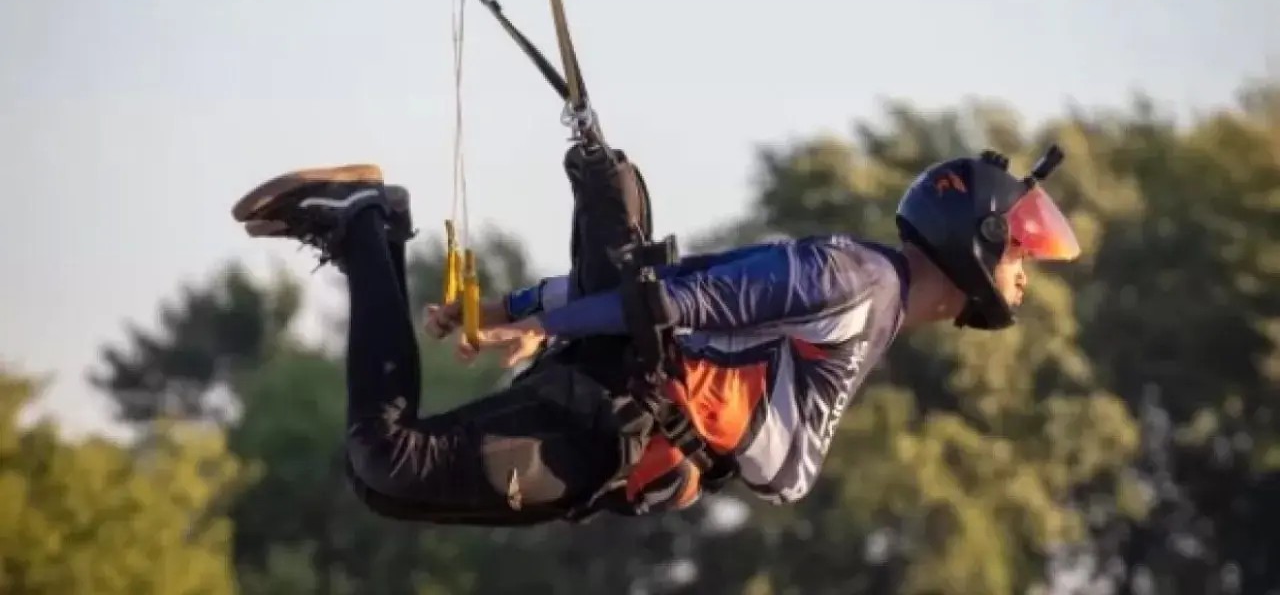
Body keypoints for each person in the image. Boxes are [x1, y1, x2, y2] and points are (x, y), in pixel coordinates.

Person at [229, 142, 1080, 526]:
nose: (1024, 276)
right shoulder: (854, 282)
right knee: (388, 460)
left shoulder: (873, 302)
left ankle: (374, 228)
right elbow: (680, 302)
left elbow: (677, 293)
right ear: (981, 238)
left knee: (380, 485)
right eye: (1022, 256)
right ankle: (366, 228)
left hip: (618, 433)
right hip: (607, 415)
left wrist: (520, 309)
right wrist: (537, 317)